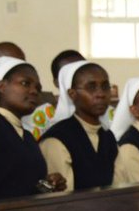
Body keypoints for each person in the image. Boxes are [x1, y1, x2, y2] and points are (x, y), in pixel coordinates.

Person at [0, 56, 66, 199]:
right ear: (2, 86)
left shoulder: (27, 137)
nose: (34, 91)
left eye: (38, 88)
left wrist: (48, 185)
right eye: (25, 83)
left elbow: (21, 186)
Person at [39, 60, 117, 191]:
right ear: (72, 94)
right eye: (91, 87)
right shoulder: (56, 140)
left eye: (105, 87)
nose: (101, 94)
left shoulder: (107, 136)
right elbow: (63, 197)